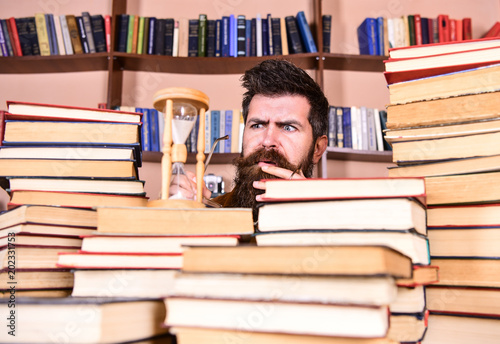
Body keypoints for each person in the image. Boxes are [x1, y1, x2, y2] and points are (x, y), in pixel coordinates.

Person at [189, 59, 329, 221]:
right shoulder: (208, 215)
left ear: (318, 149)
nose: (268, 141)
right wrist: (175, 214)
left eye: (288, 127)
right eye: (257, 125)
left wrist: (315, 217)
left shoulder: (339, 220)